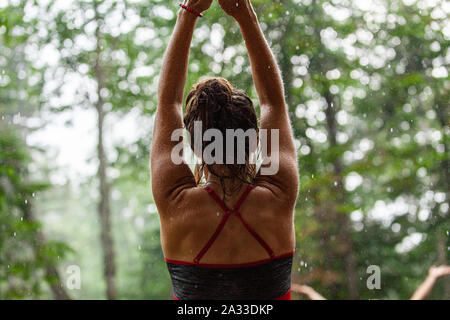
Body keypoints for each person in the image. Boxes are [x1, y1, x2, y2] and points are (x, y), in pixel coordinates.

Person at [151, 0, 299, 300]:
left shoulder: (176, 203)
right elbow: (273, 101)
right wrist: (244, 13)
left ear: (191, 146)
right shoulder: (278, 194)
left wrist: (188, 12)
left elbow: (168, 104)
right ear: (256, 141)